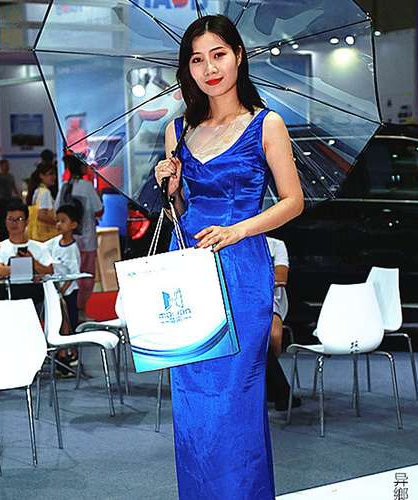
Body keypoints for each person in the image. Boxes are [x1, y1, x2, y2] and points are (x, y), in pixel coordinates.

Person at [154, 15, 303, 499]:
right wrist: (171, 187)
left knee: (236, 400)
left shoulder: (266, 123)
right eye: (198, 59)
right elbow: (180, 211)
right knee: (192, 401)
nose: (210, 68)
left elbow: (292, 202)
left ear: (239, 55)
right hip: (189, 271)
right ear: (188, 69)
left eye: (218, 54)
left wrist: (238, 229)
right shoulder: (178, 131)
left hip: (241, 271)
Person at [55, 154, 103, 322]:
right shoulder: (87, 186)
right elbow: (99, 209)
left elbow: (57, 210)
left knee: (68, 273)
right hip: (87, 239)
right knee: (86, 276)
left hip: (68, 239)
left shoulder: (64, 186)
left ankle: (70, 311)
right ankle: (81, 310)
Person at [0, 197, 54, 312]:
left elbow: (49, 271)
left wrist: (32, 262)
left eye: (19, 219)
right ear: (5, 221)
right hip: (6, 302)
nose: (14, 223)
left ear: (27, 221)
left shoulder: (40, 247)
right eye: (10, 219)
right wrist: (26, 265)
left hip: (35, 302)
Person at [44, 203, 82, 374]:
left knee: (70, 324)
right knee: (59, 324)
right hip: (56, 292)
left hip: (68, 292)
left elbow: (74, 274)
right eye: (57, 221)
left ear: (73, 225)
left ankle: (72, 355)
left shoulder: (73, 249)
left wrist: (61, 291)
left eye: (63, 221)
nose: (59, 224)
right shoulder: (53, 243)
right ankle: (61, 355)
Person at [265, 236, 301, 411]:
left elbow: (280, 277)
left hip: (269, 297)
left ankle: (275, 388)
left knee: (272, 335)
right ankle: (280, 390)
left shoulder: (276, 245)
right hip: (236, 298)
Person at [26, 162, 59, 242]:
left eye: (54, 174)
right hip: (46, 235)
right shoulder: (45, 192)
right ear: (41, 176)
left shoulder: (37, 191)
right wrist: (57, 223)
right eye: (50, 174)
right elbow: (41, 215)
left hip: (37, 234)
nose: (54, 177)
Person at [0, 159, 21, 240]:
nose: (7, 167)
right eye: (4, 165)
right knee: (0, 219)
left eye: (7, 165)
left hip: (8, 201)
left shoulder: (10, 176)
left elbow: (14, 187)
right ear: (0, 166)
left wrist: (19, 196)